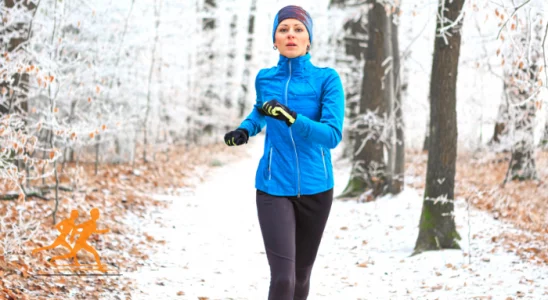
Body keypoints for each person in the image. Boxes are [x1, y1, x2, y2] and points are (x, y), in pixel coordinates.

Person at [223, 5, 345, 299]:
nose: (291, 34)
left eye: (298, 29)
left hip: (317, 188)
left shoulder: (327, 80)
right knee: (282, 278)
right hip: (273, 186)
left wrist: (293, 119)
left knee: (301, 277)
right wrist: (246, 129)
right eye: (283, 29)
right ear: (274, 40)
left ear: (308, 40)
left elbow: (331, 135)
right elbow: (261, 111)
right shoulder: (265, 79)